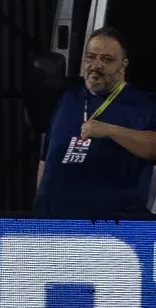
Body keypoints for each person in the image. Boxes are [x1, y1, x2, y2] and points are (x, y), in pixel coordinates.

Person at [35, 27, 156, 219]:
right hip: (52, 221)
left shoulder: (141, 105)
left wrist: (110, 130)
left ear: (123, 65)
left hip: (110, 229)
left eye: (107, 60)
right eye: (90, 57)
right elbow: (46, 158)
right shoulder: (69, 98)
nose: (96, 64)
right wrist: (39, 203)